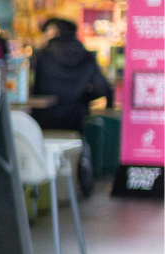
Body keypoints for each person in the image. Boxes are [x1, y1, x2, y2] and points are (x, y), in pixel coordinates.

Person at [32, 18, 113, 196]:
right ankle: (82, 180)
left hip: (45, 118)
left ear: (55, 32)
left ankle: (41, 193)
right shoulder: (84, 55)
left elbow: (34, 90)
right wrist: (82, 98)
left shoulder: (43, 55)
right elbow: (102, 88)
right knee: (79, 144)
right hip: (74, 118)